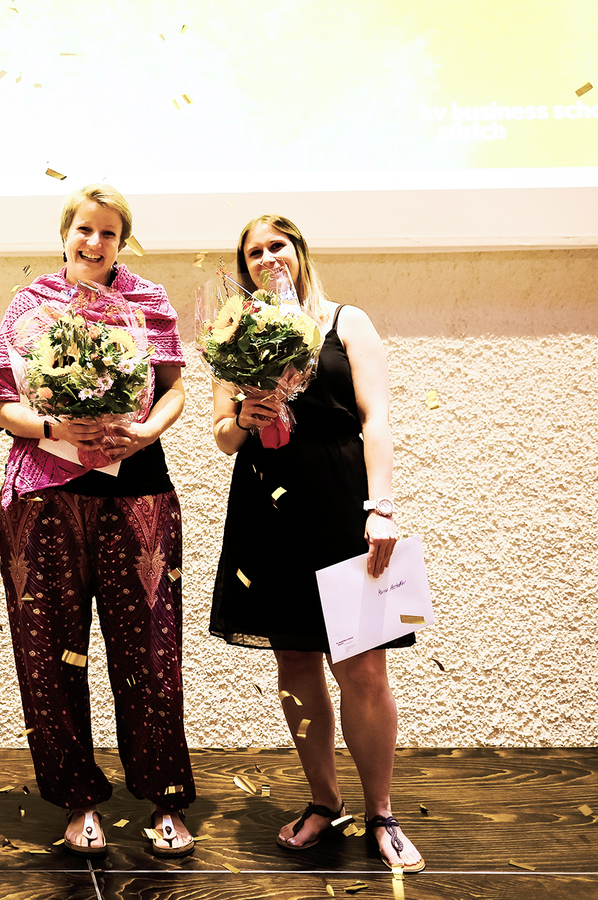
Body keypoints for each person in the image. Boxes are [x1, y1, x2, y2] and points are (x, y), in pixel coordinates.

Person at [208, 214, 424, 872]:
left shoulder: (345, 322)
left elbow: (376, 420)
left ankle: (382, 812)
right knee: (296, 662)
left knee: (363, 667)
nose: (267, 257)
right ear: (244, 267)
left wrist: (381, 509)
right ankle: (325, 802)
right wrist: (245, 416)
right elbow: (222, 436)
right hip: (267, 509)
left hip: (342, 506)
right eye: (254, 252)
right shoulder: (231, 331)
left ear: (299, 252)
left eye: (277, 245)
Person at [0, 185, 195, 858]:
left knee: (151, 652)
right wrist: (55, 425)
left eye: (108, 233)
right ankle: (77, 801)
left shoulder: (148, 300)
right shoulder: (29, 304)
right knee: (49, 653)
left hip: (137, 490)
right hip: (44, 494)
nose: (94, 242)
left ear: (122, 242)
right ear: (65, 234)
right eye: (84, 229)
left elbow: (174, 390)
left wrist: (144, 432)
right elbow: (0, 403)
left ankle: (164, 796)